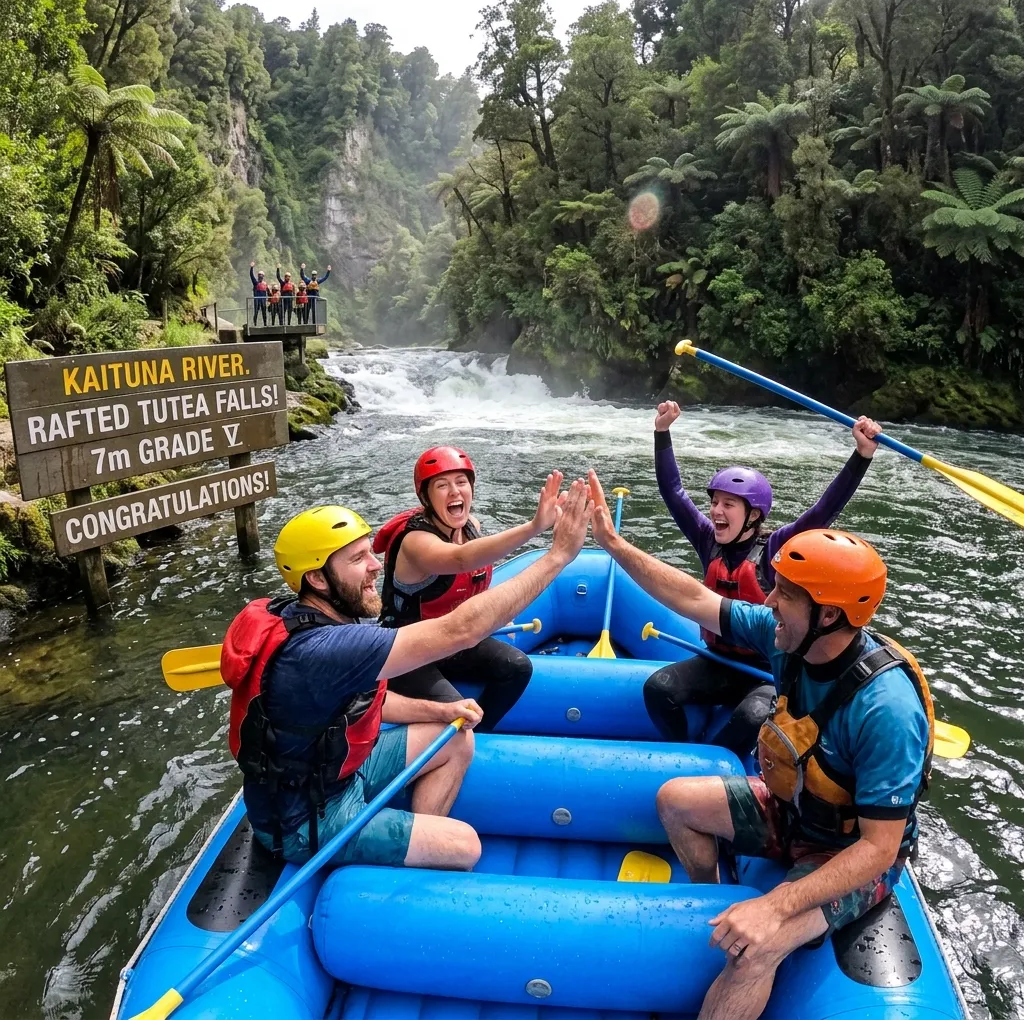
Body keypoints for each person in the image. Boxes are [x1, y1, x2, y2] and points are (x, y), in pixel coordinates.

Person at [587, 469, 933, 1020]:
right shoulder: (788, 642)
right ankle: (714, 893)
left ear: (828, 615)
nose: (768, 600)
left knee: (756, 949)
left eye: (784, 595)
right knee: (675, 800)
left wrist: (775, 906)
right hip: (794, 810)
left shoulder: (885, 709)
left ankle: (746, 932)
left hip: (846, 852)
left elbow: (879, 850)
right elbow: (693, 598)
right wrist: (612, 543)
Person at [221, 483, 592, 868]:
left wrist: (439, 712)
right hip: (306, 819)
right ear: (317, 579)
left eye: (369, 552)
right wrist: (557, 557)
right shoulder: (327, 648)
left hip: (340, 771)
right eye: (357, 559)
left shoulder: (307, 619)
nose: (376, 565)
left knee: (457, 740)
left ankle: (415, 843)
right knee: (464, 845)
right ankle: (417, 852)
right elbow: (460, 630)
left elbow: (368, 701)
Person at [646, 401, 883, 756]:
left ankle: (719, 764)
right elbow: (673, 492)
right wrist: (662, 432)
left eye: (729, 505)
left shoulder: (774, 548)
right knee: (658, 689)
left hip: (766, 669)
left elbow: (823, 512)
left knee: (753, 715)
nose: (716, 511)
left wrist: (861, 456)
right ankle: (685, 752)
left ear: (753, 514)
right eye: (715, 503)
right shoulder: (708, 539)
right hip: (718, 660)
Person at [374, 447, 563, 733]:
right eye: (442, 485)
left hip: (451, 640)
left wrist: (495, 614)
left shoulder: (472, 526)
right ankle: (460, 738)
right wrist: (534, 527)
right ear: (425, 496)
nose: (454, 492)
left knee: (517, 667)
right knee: (456, 713)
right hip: (408, 650)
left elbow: (471, 581)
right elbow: (460, 559)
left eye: (461, 483)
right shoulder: (416, 542)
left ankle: (482, 736)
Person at [249, 262, 268, 326]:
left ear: (263, 276)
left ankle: (265, 323)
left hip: (263, 300)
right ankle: (255, 324)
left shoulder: (265, 284)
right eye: (259, 275)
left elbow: (268, 292)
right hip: (257, 299)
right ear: (258, 276)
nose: (260, 276)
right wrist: (251, 268)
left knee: (264, 312)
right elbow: (251, 276)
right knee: (256, 312)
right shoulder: (255, 282)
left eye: (261, 275)